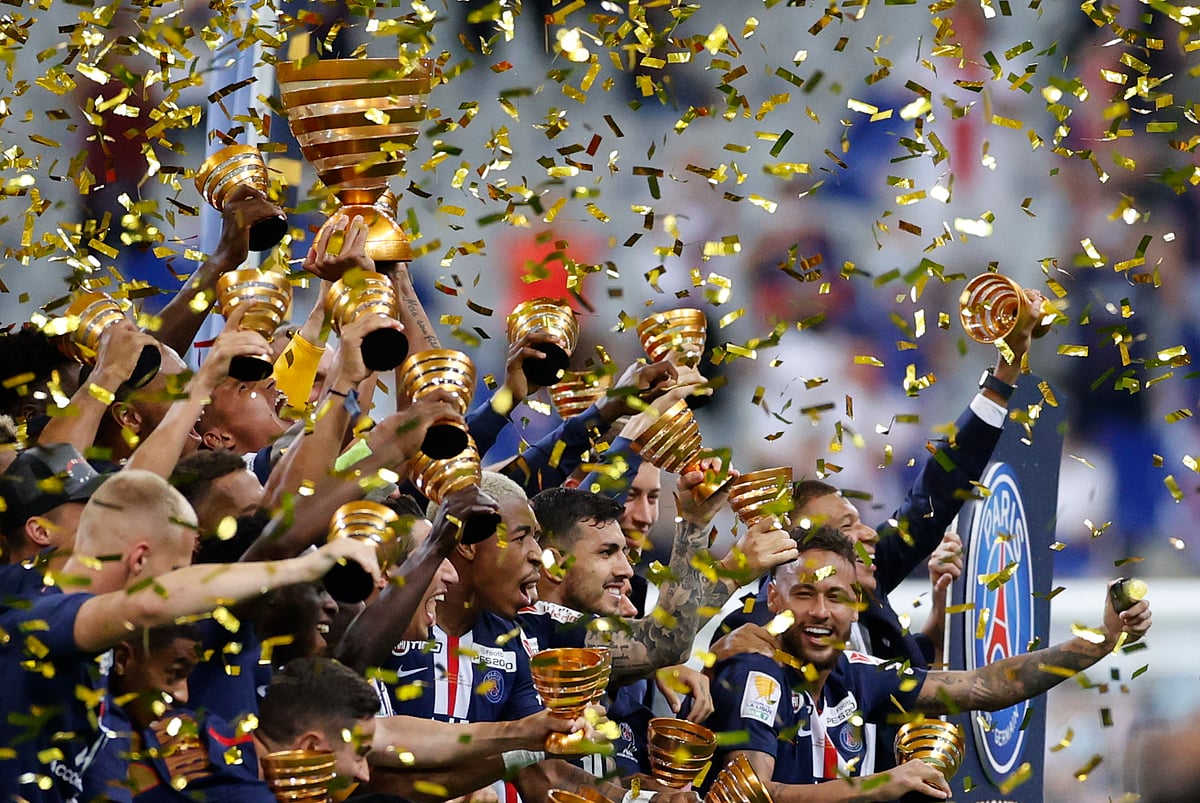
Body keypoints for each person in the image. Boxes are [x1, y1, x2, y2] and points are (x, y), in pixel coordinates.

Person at [0, 469, 381, 802]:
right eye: (177, 569)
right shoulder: (40, 621)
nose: (180, 586)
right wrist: (302, 567)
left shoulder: (102, 666)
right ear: (139, 560)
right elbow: (148, 604)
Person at [704, 525, 1152, 802]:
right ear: (773, 597)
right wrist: (882, 785)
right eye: (805, 594)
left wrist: (1103, 640)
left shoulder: (853, 674)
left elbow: (983, 686)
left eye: (835, 597)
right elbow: (754, 796)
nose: (821, 611)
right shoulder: (757, 672)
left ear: (856, 606)